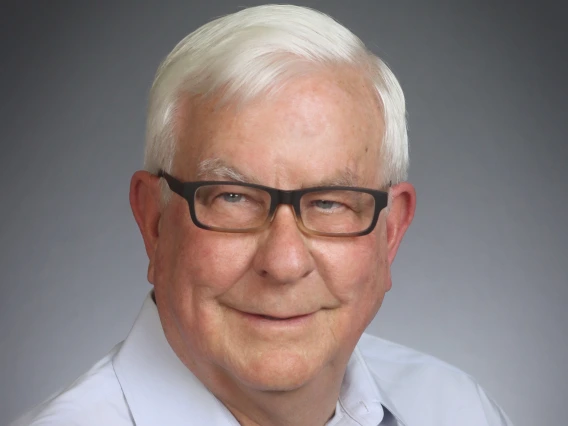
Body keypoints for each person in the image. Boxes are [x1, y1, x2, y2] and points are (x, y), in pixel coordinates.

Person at [12, 4, 513, 426]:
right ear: (154, 222)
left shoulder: (456, 408)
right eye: (232, 197)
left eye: (330, 202)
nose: (285, 262)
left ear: (391, 233)